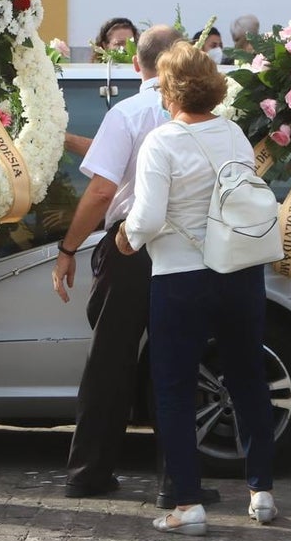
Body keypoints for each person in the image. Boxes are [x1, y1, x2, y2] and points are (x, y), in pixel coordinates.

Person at [53, 25, 220, 509]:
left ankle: (89, 470)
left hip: (129, 248)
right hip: (188, 247)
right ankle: (178, 477)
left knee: (109, 358)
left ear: (136, 65)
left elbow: (103, 189)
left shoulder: (126, 112)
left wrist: (68, 249)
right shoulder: (208, 115)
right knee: (178, 360)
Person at [117, 40, 277, 535]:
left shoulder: (162, 142)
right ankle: (262, 491)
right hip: (239, 269)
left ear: (169, 92)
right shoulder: (232, 133)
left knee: (174, 386)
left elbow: (146, 217)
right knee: (249, 377)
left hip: (181, 276)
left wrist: (125, 240)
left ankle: (187, 504)